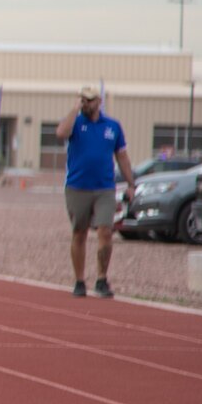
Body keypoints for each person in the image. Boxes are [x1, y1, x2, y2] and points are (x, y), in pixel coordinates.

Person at [57, 85, 135, 298]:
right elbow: (61, 133)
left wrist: (131, 183)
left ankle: (101, 278)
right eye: (83, 99)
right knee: (79, 233)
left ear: (99, 102)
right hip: (77, 187)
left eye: (89, 100)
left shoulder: (112, 126)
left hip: (104, 188)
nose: (85, 103)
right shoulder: (75, 122)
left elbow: (122, 157)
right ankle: (79, 280)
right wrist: (74, 109)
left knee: (105, 231)